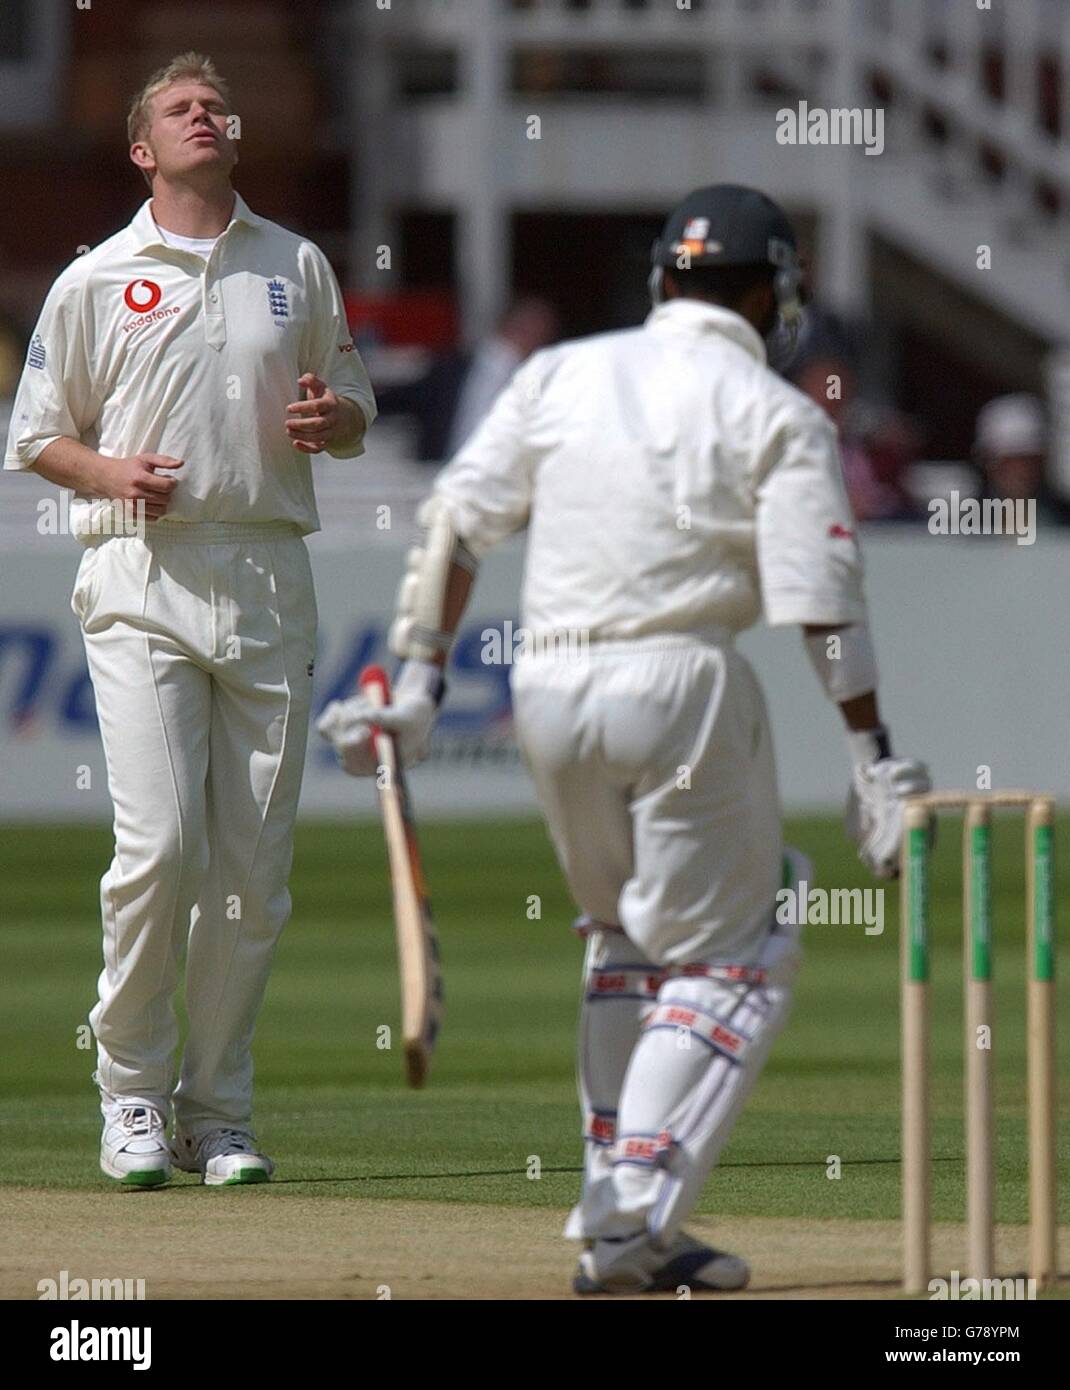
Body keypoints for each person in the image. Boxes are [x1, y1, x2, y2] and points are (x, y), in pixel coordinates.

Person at [318, 185, 928, 1294]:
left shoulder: (561, 371)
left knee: (623, 941)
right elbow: (819, 598)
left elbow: (457, 514)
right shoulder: (773, 408)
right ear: (767, 295)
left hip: (544, 684)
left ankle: (631, 1228)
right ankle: (625, 1206)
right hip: (680, 678)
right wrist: (870, 757)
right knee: (737, 954)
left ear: (659, 279)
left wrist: (416, 682)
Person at [3, 53, 376, 1187]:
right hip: (141, 572)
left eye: (217, 104)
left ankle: (217, 1112)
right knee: (163, 848)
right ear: (141, 147)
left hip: (266, 571)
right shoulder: (98, 276)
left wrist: (335, 416)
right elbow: (34, 436)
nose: (206, 115)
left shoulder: (294, 263)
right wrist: (110, 469)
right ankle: (130, 1095)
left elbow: (352, 399)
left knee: (250, 876)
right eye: (180, 108)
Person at [374, 297, 560, 463]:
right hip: (438, 474)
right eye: (525, 328)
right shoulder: (453, 368)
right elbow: (403, 398)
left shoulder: (539, 379)